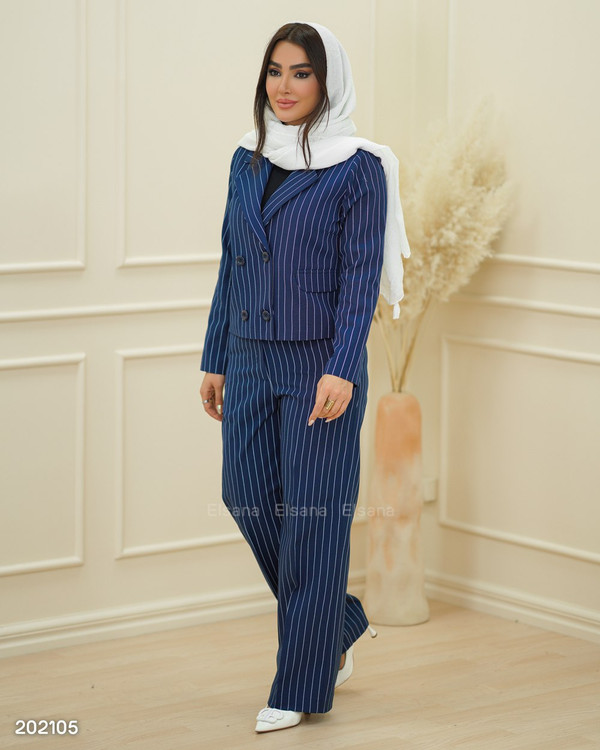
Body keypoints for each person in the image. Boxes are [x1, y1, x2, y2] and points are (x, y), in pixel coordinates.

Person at [199, 20, 410, 734]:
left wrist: (343, 368)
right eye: (275, 71)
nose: (284, 87)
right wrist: (216, 355)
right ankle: (338, 622)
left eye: (301, 73)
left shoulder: (360, 168)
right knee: (244, 494)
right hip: (249, 359)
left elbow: (360, 279)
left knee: (314, 525)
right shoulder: (247, 158)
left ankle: (301, 681)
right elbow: (232, 262)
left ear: (328, 81)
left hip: (322, 366)